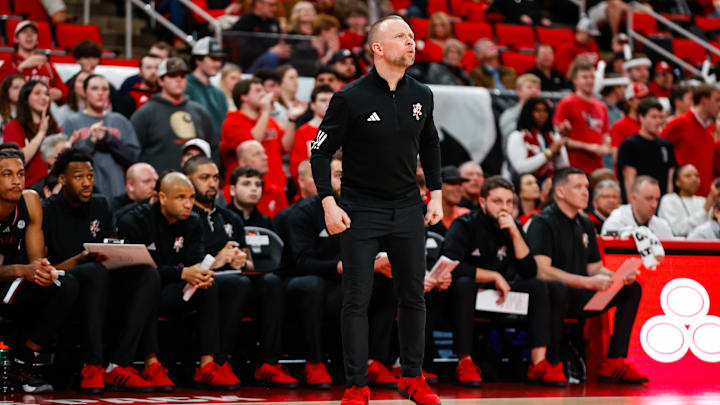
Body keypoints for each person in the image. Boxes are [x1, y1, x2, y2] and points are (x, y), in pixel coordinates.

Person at [310, 15, 442, 405]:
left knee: (414, 295)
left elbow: (431, 145)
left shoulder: (423, 94)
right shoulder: (349, 97)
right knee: (357, 297)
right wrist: (328, 202)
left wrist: (435, 194)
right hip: (360, 207)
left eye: (413, 36)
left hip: (406, 206)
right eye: (402, 36)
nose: (411, 41)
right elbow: (319, 151)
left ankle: (413, 377)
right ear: (378, 48)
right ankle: (355, 385)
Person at [42, 148, 168, 393]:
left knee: (147, 274)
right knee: (93, 271)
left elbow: (110, 243)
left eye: (90, 176)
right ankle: (93, 364)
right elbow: (46, 267)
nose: (87, 182)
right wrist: (80, 259)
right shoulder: (48, 210)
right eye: (79, 177)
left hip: (101, 281)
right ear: (62, 180)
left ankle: (118, 365)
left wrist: (124, 255)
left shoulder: (101, 204)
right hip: (65, 283)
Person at [117, 172, 245, 390]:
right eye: (181, 197)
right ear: (162, 197)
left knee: (207, 284)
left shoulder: (193, 222)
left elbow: (194, 263)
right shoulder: (135, 220)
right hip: (137, 291)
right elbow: (140, 268)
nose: (188, 204)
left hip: (173, 289)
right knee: (150, 279)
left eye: (191, 197)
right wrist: (181, 273)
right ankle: (151, 364)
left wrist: (198, 273)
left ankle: (207, 365)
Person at [283, 153, 397, 389]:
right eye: (338, 176)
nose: (345, 181)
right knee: (312, 286)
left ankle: (375, 362)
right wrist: (345, 266)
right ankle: (313, 362)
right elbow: (301, 261)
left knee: (388, 283)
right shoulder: (303, 213)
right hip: (309, 282)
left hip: (345, 284)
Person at [441, 176, 568, 387]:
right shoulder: (464, 224)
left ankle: (538, 364)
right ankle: (465, 362)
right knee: (464, 284)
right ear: (483, 202)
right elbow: (451, 264)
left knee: (538, 286)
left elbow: (529, 271)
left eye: (509, 202)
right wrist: (493, 276)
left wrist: (515, 234)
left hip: (502, 293)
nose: (505, 208)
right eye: (498, 201)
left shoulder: (514, 226)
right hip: (469, 292)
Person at [183, 156, 298, 388]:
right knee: (235, 285)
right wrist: (216, 261)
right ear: (188, 181)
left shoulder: (231, 218)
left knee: (272, 283)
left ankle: (269, 363)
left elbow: (244, 259)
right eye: (204, 178)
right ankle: (218, 361)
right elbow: (184, 263)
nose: (212, 183)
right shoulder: (185, 217)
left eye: (215, 178)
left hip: (232, 281)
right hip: (198, 283)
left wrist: (242, 261)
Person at [527, 167, 649, 384]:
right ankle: (550, 363)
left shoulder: (585, 223)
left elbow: (595, 268)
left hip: (582, 295)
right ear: (561, 192)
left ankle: (614, 362)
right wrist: (587, 282)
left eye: (586, 187)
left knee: (632, 288)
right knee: (557, 288)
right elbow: (541, 270)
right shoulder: (542, 222)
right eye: (578, 187)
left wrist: (617, 276)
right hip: (551, 298)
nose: (585, 192)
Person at [0, 149, 75, 393]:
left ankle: (25, 359)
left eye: (20, 173)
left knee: (65, 284)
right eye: (7, 174)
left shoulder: (30, 201)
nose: (16, 180)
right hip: (8, 278)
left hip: (13, 281)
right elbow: (25, 268)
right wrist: (24, 270)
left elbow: (36, 260)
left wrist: (43, 270)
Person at [131, 58, 217, 173]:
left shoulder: (200, 112)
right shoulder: (144, 113)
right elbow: (133, 153)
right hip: (159, 184)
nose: (178, 80)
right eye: (172, 76)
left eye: (182, 76)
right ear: (161, 80)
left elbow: (214, 148)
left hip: (195, 183)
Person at [61, 75, 141, 199]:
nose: (100, 93)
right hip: (82, 193)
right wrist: (91, 141)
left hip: (117, 191)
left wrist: (109, 138)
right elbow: (64, 161)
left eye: (104, 89)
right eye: (94, 89)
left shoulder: (120, 121)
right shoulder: (71, 122)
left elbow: (132, 157)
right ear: (85, 92)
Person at [221, 78, 299, 194]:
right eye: (258, 90)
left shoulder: (269, 120)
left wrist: (292, 118)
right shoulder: (232, 121)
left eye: (263, 90)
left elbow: (286, 147)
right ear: (244, 97)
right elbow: (253, 143)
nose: (264, 94)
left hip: (275, 188)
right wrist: (265, 111)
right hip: (246, 189)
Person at [660, 84, 720, 196]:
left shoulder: (712, 127)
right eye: (717, 100)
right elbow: (659, 150)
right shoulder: (679, 123)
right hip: (681, 197)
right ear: (704, 100)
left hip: (707, 196)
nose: (719, 105)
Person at [553, 58, 610, 176]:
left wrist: (605, 146)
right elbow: (558, 138)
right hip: (573, 166)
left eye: (592, 77)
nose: (589, 81)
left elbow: (604, 135)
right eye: (585, 77)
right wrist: (588, 147)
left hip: (597, 166)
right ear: (575, 80)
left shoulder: (602, 106)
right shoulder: (567, 103)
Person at [617, 98, 676, 201]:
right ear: (641, 117)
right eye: (653, 117)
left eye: (660, 117)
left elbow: (669, 180)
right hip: (640, 203)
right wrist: (632, 206)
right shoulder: (630, 144)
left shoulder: (666, 145)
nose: (658, 121)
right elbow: (629, 179)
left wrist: (668, 203)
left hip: (661, 202)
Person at [3, 80, 60, 187]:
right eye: (37, 93)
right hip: (28, 187)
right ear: (25, 97)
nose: (43, 97)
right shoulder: (14, 126)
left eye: (47, 94)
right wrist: (41, 133)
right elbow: (15, 161)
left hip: (54, 185)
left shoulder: (54, 126)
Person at [0, 21, 68, 103]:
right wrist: (20, 68)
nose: (29, 35)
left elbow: (65, 90)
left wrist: (60, 93)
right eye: (24, 32)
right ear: (16, 39)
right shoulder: (10, 63)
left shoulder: (47, 65)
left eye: (33, 32)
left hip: (43, 112)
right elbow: (2, 88)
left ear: (37, 40)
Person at [506, 97, 570, 182]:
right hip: (523, 185)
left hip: (550, 183)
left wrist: (558, 153)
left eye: (545, 111)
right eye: (537, 111)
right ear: (528, 112)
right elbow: (520, 168)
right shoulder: (517, 136)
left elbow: (563, 167)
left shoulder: (553, 136)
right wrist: (549, 153)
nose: (542, 115)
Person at [658, 164, 720, 237]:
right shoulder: (668, 200)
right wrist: (705, 209)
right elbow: (677, 230)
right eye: (688, 176)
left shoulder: (703, 201)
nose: (694, 179)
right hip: (677, 247)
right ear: (677, 182)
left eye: (697, 176)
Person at [602, 176, 673, 238]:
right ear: (633, 199)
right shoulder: (616, 221)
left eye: (657, 199)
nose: (654, 205)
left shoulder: (662, 226)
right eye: (649, 198)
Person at [186, 37, 228, 137]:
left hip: (216, 149)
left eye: (219, 59)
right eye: (213, 59)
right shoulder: (184, 86)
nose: (218, 64)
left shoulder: (219, 93)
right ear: (198, 60)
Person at [290, 85, 334, 182]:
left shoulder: (343, 129)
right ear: (313, 105)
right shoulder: (303, 132)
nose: (328, 104)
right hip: (313, 183)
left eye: (331, 100)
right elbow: (296, 168)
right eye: (323, 100)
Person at [499, 74, 542, 143]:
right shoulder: (510, 114)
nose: (534, 90)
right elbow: (510, 138)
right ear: (519, 91)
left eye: (537, 88)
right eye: (529, 87)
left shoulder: (545, 114)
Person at [115, 54, 161, 119]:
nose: (153, 72)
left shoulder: (168, 94)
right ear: (140, 71)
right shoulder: (129, 95)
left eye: (157, 68)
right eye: (148, 68)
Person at [428, 166, 470, 236]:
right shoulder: (427, 214)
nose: (458, 188)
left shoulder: (466, 215)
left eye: (460, 184)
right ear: (438, 186)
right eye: (452, 183)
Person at [610, 82, 650, 150]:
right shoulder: (620, 126)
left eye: (646, 97)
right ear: (629, 101)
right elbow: (616, 157)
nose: (644, 101)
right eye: (640, 98)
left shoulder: (650, 123)